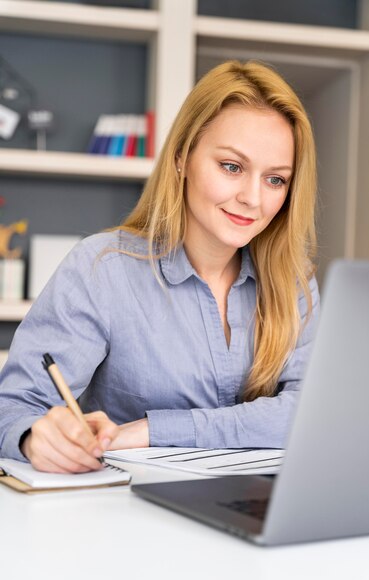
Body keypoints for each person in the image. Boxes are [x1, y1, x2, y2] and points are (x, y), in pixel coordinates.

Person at [0, 60, 319, 473]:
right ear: (182, 157)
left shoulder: (294, 283)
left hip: (255, 512)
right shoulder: (104, 269)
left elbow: (307, 414)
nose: (253, 199)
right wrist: (33, 438)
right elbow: (13, 408)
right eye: (232, 167)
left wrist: (150, 431)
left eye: (275, 179)